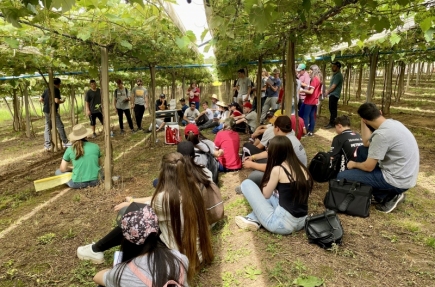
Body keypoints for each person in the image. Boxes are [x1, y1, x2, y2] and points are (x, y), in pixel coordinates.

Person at [77, 152, 214, 282]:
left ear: (163, 172)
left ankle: (96, 249)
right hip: (196, 255)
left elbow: (151, 206)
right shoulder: (194, 189)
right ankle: (96, 248)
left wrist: (130, 204)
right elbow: (156, 199)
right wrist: (133, 200)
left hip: (177, 259)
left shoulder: (163, 200)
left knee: (135, 220)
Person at [337, 103, 419, 213]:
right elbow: (366, 143)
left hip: (397, 180)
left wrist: (354, 164)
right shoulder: (393, 123)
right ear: (380, 112)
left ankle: (388, 196)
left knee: (341, 176)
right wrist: (364, 120)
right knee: (362, 150)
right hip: (406, 175)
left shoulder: (382, 135)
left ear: (365, 120)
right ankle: (378, 191)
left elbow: (368, 167)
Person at [93, 204, 188, 287]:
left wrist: (113, 271)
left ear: (126, 238)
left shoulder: (124, 273)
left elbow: (97, 277)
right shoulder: (179, 258)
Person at [235, 136, 313, 233]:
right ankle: (252, 218)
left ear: (274, 153)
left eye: (269, 151)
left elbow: (266, 195)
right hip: (302, 221)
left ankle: (254, 218)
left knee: (247, 183)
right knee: (274, 195)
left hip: (281, 224)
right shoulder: (301, 167)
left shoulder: (278, 169)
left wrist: (265, 183)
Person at [242, 116, 307, 188]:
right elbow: (269, 152)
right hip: (298, 174)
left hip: (292, 180)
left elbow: (272, 168)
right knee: (259, 163)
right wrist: (252, 157)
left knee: (255, 176)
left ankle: (246, 187)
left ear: (277, 128)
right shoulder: (290, 134)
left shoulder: (283, 142)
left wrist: (251, 165)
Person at [55, 124, 101, 189]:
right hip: (96, 181)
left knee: (58, 171)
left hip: (77, 184)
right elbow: (98, 164)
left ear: (74, 137)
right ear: (86, 135)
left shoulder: (70, 149)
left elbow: (62, 169)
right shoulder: (95, 146)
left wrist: (71, 168)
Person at [39, 77, 70, 150]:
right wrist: (62, 101)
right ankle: (65, 142)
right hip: (52, 110)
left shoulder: (47, 89)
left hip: (46, 110)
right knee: (60, 126)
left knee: (48, 127)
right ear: (59, 84)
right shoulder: (55, 89)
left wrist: (46, 103)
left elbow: (40, 99)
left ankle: (47, 145)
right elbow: (56, 100)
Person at [301, 65, 323, 136]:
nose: (309, 71)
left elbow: (311, 92)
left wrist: (301, 90)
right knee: (312, 116)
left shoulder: (314, 79)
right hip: (315, 101)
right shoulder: (319, 78)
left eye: (310, 70)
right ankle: (311, 131)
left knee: (305, 116)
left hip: (309, 100)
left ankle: (305, 132)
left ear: (313, 70)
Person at [324, 61, 343, 129]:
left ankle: (332, 123)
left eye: (334, 66)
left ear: (338, 67)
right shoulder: (335, 75)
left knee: (333, 110)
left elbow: (333, 86)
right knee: (331, 109)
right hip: (333, 94)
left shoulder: (338, 75)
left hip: (334, 95)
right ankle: (332, 122)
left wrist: (327, 92)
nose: (332, 67)